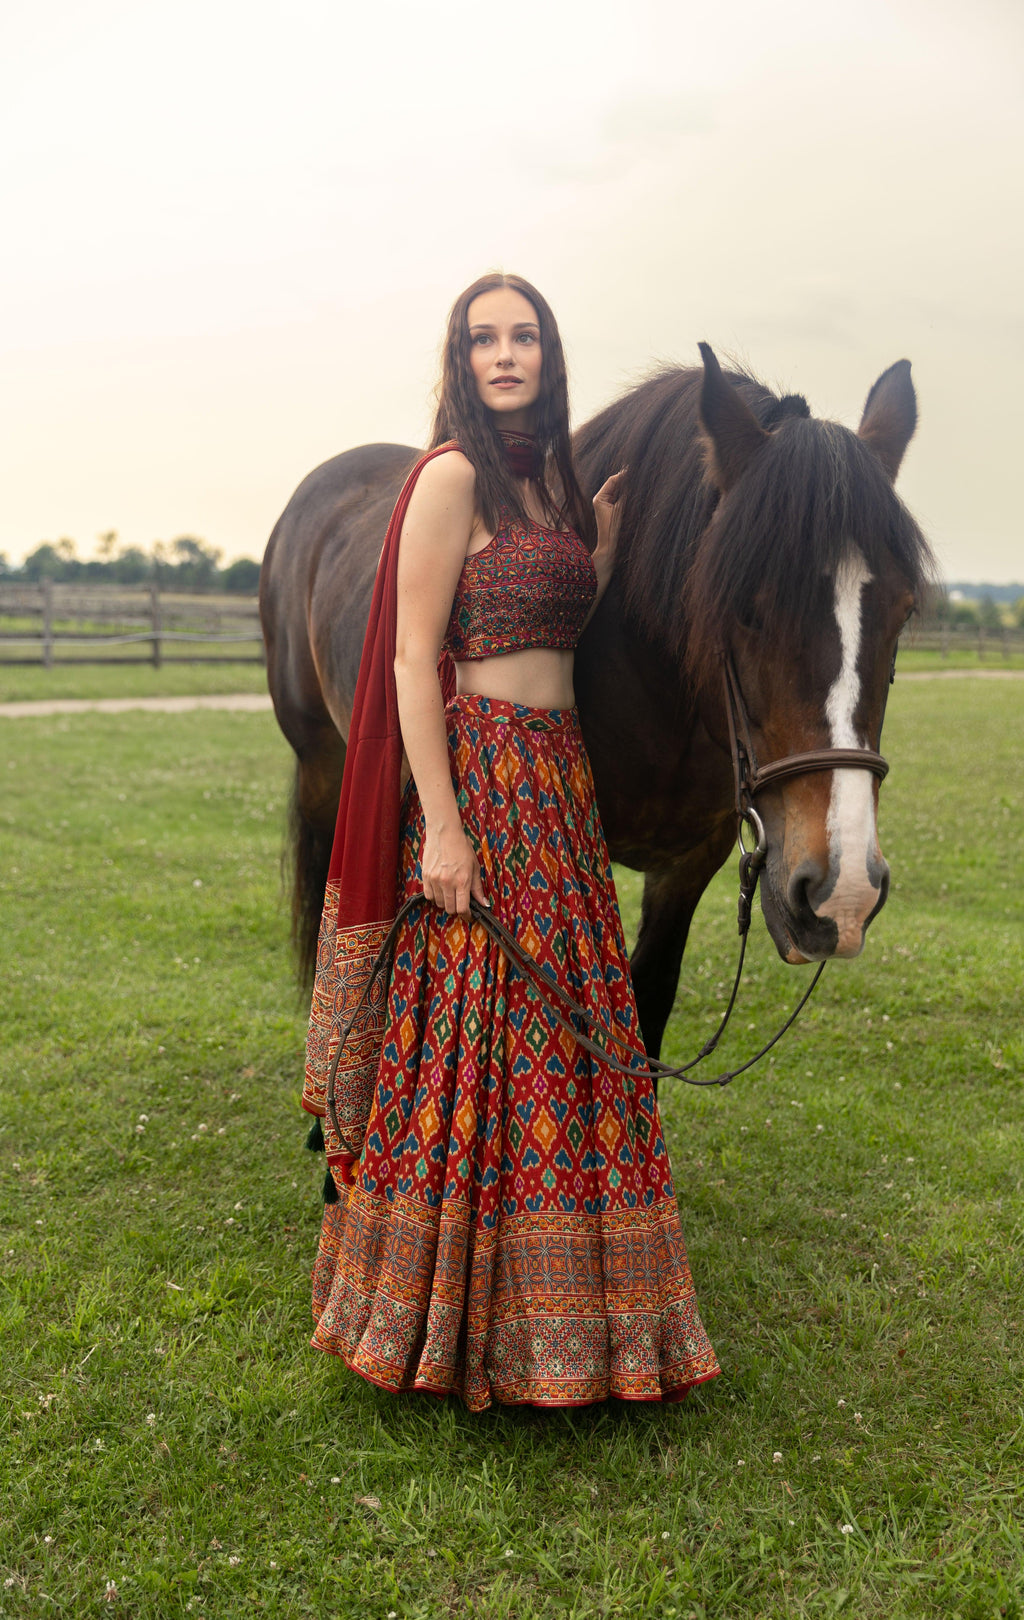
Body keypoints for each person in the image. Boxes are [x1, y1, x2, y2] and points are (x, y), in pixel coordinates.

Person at [302, 272, 720, 1410]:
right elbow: (408, 658)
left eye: (522, 336)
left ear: (548, 353)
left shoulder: (552, 486)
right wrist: (440, 823)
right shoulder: (450, 478)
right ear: (460, 358)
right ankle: (452, 1315)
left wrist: (600, 539)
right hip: (483, 774)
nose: (504, 354)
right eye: (483, 338)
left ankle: (581, 1324)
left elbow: (551, 611)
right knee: (483, 1037)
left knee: (577, 1037)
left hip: (560, 780)